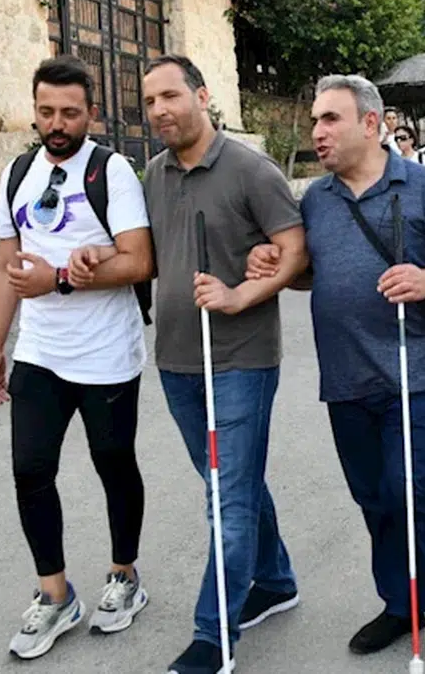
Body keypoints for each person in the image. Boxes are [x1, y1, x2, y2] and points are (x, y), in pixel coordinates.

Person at [245, 73, 425, 660]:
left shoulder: (420, 185)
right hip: (345, 377)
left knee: (412, 489)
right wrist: (272, 262)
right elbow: (306, 273)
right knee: (373, 497)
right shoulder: (316, 200)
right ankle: (400, 603)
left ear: (370, 124)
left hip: (413, 370)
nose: (317, 132)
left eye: (331, 119)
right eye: (315, 120)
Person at [122, 54, 307, 674]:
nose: (159, 111)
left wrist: (240, 294)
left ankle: (213, 637)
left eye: (170, 96)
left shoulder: (252, 170)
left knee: (226, 500)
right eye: (150, 101)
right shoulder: (153, 174)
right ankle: (275, 581)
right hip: (177, 360)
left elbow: (294, 252)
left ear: (202, 97)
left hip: (239, 360)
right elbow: (147, 257)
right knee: (231, 484)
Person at [0, 55, 154, 659]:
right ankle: (55, 594)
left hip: (107, 352)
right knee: (30, 471)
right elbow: (5, 268)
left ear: (91, 114)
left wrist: (59, 278)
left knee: (114, 463)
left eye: (70, 113)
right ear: (34, 111)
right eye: (47, 111)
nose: (57, 124)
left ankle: (124, 576)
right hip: (40, 351)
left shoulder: (112, 172)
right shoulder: (17, 174)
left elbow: (139, 260)